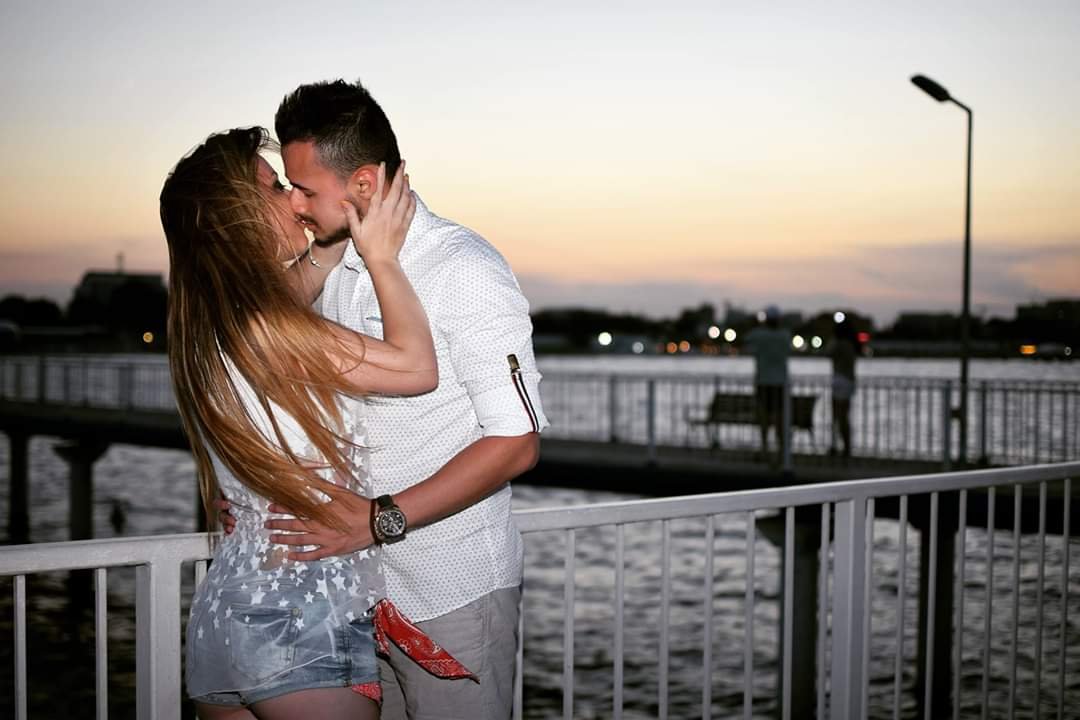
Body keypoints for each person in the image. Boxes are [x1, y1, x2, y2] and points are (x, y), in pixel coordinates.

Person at [221, 79, 549, 720]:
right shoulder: (334, 261)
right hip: (359, 591)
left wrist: (377, 521)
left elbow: (517, 443)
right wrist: (250, 494)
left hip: (451, 594)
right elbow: (250, 351)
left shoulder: (464, 269)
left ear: (365, 184)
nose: (294, 203)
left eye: (305, 189)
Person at [161, 126, 440, 719]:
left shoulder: (210, 324)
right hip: (298, 613)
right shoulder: (267, 327)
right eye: (273, 188)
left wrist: (334, 227)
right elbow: (417, 367)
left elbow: (300, 280)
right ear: (234, 216)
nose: (293, 198)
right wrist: (382, 258)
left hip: (227, 615)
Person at [744, 305, 790, 467]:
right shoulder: (785, 335)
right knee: (779, 418)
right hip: (780, 382)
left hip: (763, 381)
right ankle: (781, 452)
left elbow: (746, 340)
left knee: (763, 417)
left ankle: (765, 449)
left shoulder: (758, 334)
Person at [829, 319, 858, 459]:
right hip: (848, 381)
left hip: (840, 381)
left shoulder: (839, 344)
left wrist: (832, 340)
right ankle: (844, 447)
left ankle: (842, 447)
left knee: (838, 417)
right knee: (843, 417)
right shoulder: (851, 345)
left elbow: (828, 352)